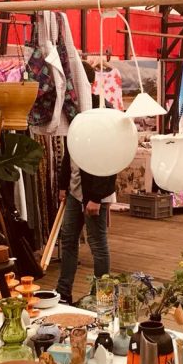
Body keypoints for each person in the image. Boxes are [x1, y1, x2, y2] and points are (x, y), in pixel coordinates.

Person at [55, 62, 115, 306]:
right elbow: (69, 149)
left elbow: (110, 157)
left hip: (94, 191)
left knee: (97, 243)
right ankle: (63, 292)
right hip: (75, 188)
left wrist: (97, 197)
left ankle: (101, 297)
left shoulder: (102, 110)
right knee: (68, 239)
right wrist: (63, 184)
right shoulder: (72, 109)